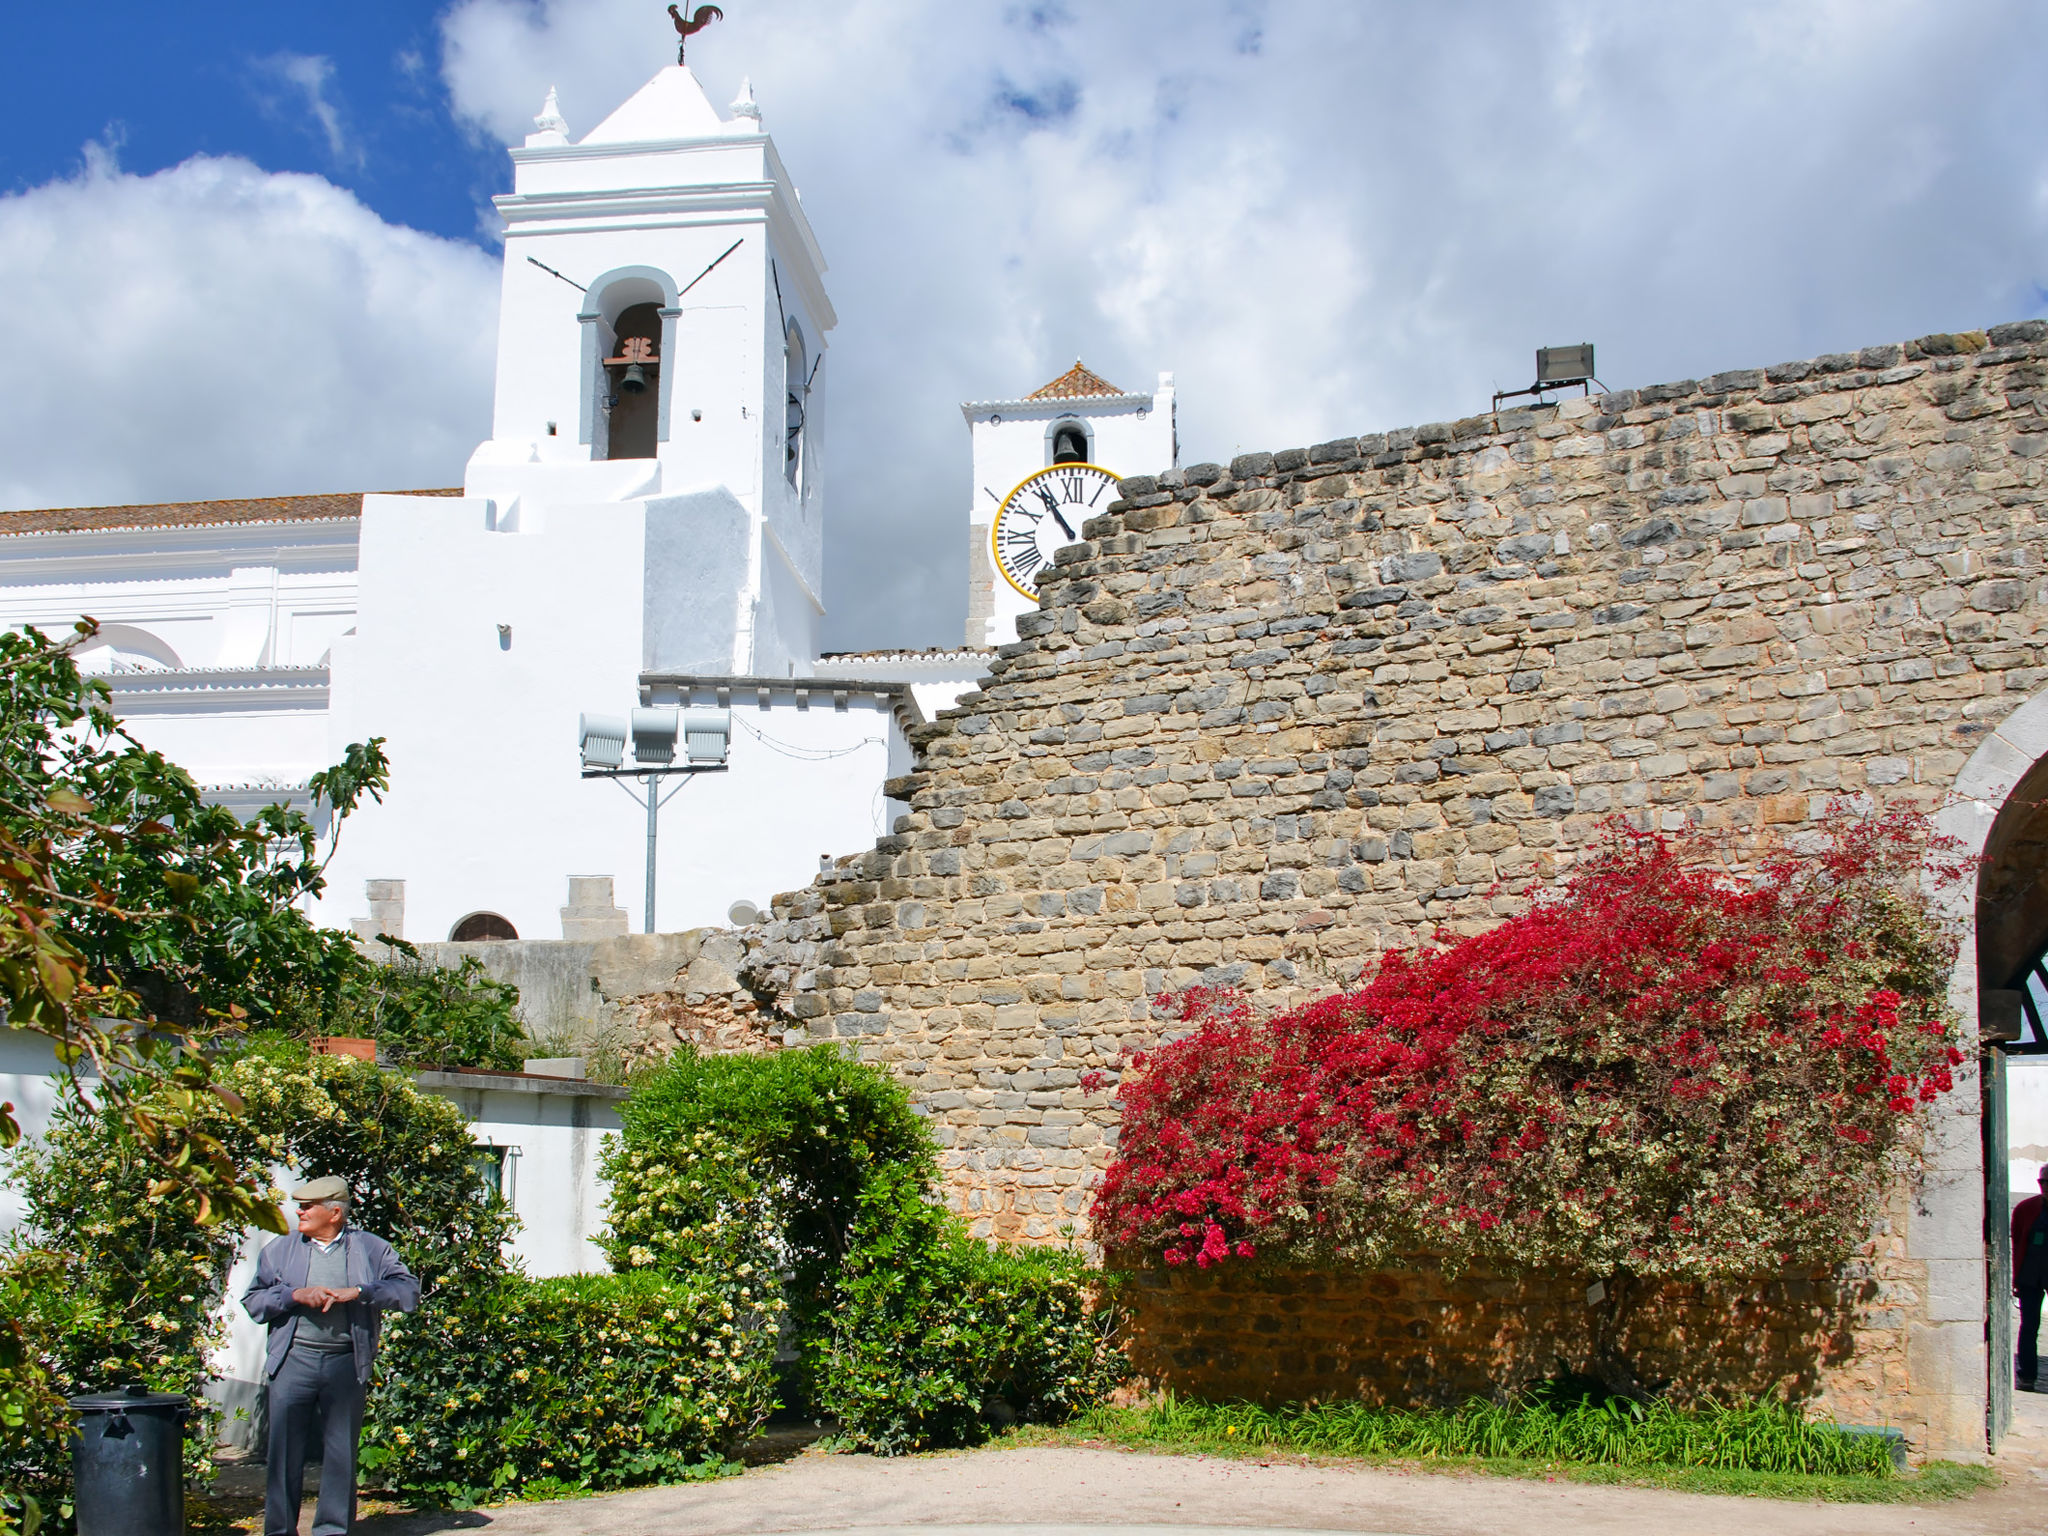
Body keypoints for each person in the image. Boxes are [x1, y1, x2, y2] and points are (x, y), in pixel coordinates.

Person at [242, 1176, 419, 1536]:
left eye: (308, 1207)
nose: (300, 1213)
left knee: (340, 1455)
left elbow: (407, 1291)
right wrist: (294, 1296)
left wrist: (360, 1291)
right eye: (300, 1207)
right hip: (293, 1361)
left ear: (335, 1213)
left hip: (346, 1363)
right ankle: (279, 1531)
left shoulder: (371, 1248)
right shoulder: (280, 1250)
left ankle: (331, 1530)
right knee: (284, 1452)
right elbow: (254, 1301)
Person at [2018, 1164, 2048, 1393]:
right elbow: (2018, 1243)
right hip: (2030, 1276)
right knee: (2029, 1327)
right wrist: (2015, 1279)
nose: (2045, 1187)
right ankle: (2027, 1375)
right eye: (2043, 1182)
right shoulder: (2025, 1209)